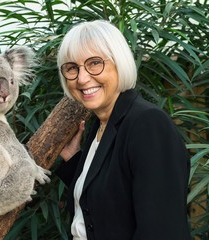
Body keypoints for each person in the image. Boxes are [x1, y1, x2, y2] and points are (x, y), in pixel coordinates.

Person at [55, 20, 191, 240]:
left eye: (95, 63)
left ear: (119, 63)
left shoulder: (147, 124)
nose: (82, 78)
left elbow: (162, 230)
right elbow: (109, 203)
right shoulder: (101, 125)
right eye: (72, 68)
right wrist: (74, 160)